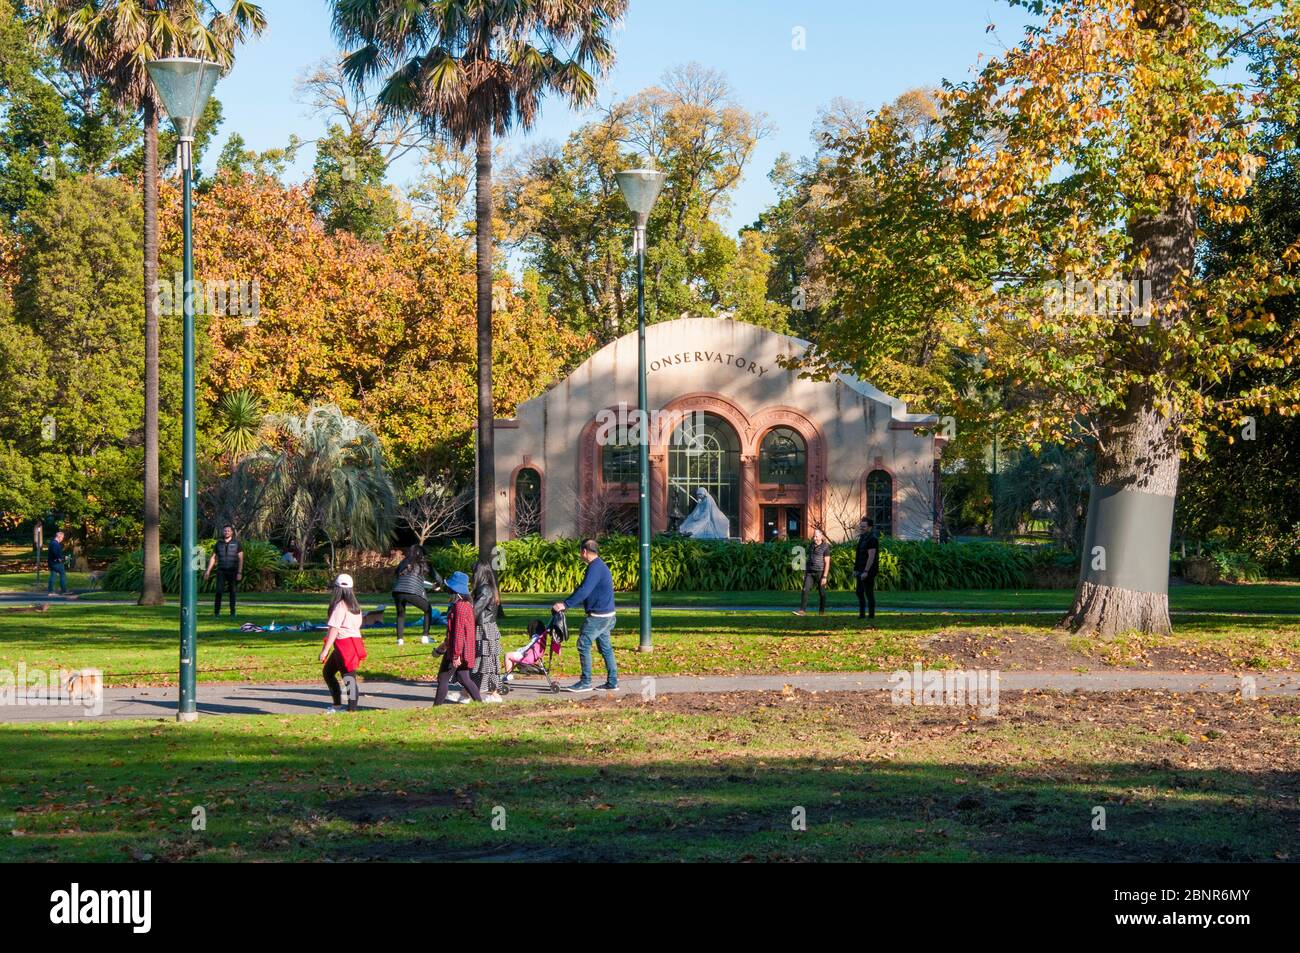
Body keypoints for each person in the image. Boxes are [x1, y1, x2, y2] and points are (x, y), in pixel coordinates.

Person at [552, 538, 617, 693]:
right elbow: (583, 588)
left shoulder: (595, 568)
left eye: (580, 552)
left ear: (584, 551)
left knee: (583, 644)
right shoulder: (599, 566)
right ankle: (613, 682)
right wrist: (568, 602)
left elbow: (584, 590)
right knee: (605, 647)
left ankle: (586, 681)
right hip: (608, 615)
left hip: (599, 617)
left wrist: (565, 604)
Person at [319, 573, 367, 713]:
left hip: (344, 645)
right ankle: (338, 705)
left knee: (349, 679)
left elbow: (334, 629)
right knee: (329, 673)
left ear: (337, 589)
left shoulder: (340, 605)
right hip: (354, 643)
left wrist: (325, 650)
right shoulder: (355, 607)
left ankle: (351, 711)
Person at [433, 571, 482, 705]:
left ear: (455, 590)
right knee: (464, 678)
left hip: (458, 650)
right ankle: (480, 705)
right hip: (462, 649)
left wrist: (456, 655)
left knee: (443, 678)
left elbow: (459, 633)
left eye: (449, 588)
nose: (447, 591)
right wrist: (441, 648)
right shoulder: (464, 605)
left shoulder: (460, 607)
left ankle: (435, 709)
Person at [392, 545, 441, 645]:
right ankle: (425, 637)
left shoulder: (403, 562)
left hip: (397, 591)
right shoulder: (423, 563)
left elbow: (398, 576)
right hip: (411, 591)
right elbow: (438, 578)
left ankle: (400, 640)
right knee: (428, 609)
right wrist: (437, 585)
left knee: (400, 614)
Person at [471, 560, 504, 702]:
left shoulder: (485, 589)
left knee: (487, 661)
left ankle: (494, 694)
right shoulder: (489, 588)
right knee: (483, 661)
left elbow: (475, 610)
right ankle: (469, 692)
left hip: (484, 629)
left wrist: (465, 621)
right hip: (487, 628)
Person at [203, 525, 243, 618]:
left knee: (232, 592)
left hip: (233, 571)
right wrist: (208, 571)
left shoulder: (237, 543)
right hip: (221, 571)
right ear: (223, 532)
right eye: (225, 531)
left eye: (228, 531)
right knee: (219, 592)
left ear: (232, 532)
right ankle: (216, 613)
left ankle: (232, 613)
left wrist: (239, 572)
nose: (226, 532)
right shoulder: (218, 543)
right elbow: (213, 558)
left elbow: (241, 558)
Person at [793, 527, 831, 617]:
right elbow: (808, 560)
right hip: (810, 572)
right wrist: (805, 573)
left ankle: (821, 612)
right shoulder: (811, 545)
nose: (814, 538)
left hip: (820, 572)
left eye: (816, 536)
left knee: (821, 593)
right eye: (814, 536)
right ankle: (802, 611)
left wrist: (824, 577)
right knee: (805, 590)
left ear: (821, 536)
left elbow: (827, 562)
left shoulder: (825, 547)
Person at [854, 517, 880, 624]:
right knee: (859, 592)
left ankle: (871, 614)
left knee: (869, 592)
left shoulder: (872, 539)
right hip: (860, 569)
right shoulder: (862, 538)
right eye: (861, 526)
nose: (862, 528)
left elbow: (871, 556)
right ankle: (862, 614)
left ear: (870, 527)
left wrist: (866, 571)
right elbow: (858, 554)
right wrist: (855, 569)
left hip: (868, 570)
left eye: (864, 527)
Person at [46, 529, 68, 596]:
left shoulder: (52, 543)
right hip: (56, 563)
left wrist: (63, 557)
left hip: (51, 562)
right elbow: (55, 552)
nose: (62, 539)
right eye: (62, 538)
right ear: (59, 537)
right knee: (62, 574)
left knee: (53, 575)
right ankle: (63, 590)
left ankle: (50, 591)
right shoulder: (55, 544)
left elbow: (55, 552)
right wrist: (60, 559)